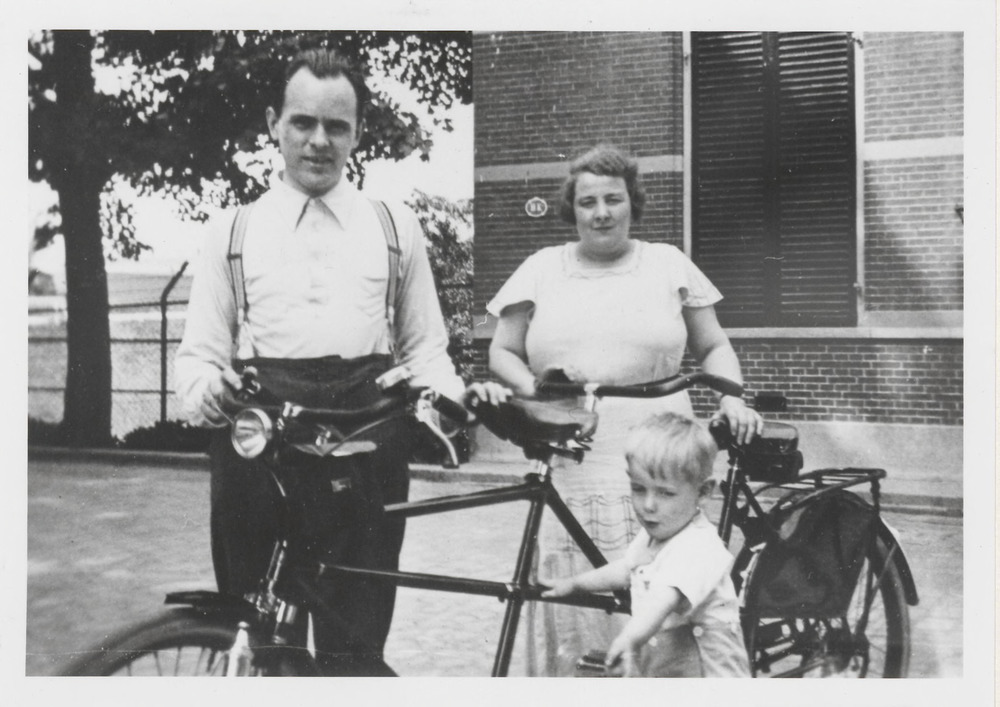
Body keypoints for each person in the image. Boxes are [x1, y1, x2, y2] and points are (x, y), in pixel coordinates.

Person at [175, 48, 505, 676]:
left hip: (365, 442)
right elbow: (199, 360)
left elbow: (425, 349)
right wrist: (209, 390)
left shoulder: (394, 227)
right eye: (303, 122)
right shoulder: (232, 231)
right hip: (262, 446)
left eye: (336, 126)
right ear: (274, 123)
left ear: (358, 132)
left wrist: (450, 401)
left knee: (354, 649)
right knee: (254, 638)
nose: (318, 141)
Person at [486, 144, 761, 675]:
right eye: (587, 202)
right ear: (571, 210)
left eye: (613, 199)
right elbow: (502, 350)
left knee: (666, 592)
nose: (601, 213)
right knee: (578, 600)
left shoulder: (667, 263)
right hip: (575, 455)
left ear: (633, 202)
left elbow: (714, 346)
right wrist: (538, 390)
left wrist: (731, 395)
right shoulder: (541, 268)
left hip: (662, 456)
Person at [543, 413, 751, 677]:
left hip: (707, 673)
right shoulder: (656, 533)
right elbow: (627, 569)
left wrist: (629, 638)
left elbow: (664, 597)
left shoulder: (699, 545)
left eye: (665, 493)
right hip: (668, 660)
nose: (649, 505)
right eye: (639, 489)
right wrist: (574, 584)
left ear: (703, 492)